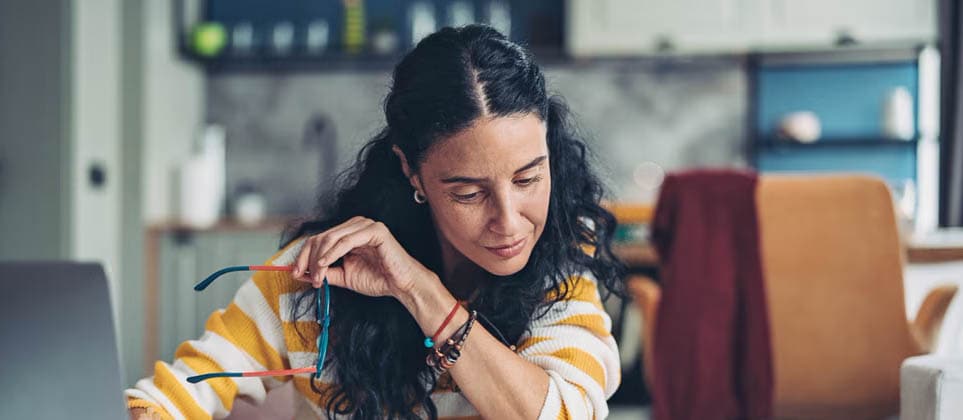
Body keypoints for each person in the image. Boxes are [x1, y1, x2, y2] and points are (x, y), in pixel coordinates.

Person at [127, 24, 625, 420]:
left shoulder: (562, 264)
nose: (510, 222)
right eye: (469, 193)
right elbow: (177, 391)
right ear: (412, 171)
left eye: (528, 179)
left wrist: (421, 292)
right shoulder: (319, 275)